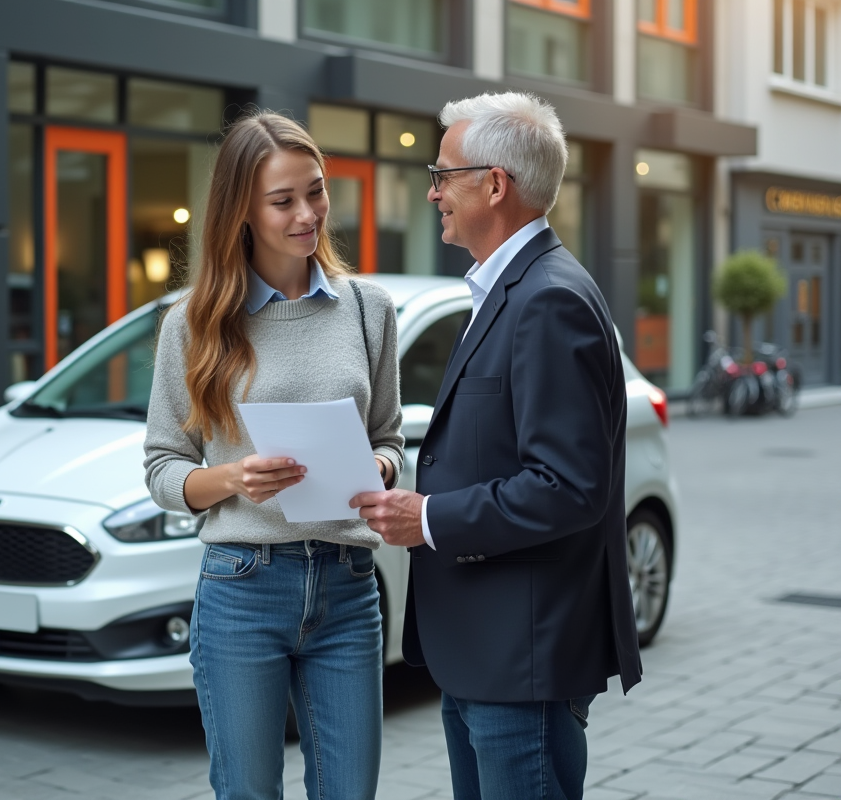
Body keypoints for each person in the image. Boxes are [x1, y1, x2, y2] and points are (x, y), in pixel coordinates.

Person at [351, 91, 642, 800]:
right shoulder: (511, 287)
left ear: (494, 184)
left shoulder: (548, 298)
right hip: (487, 654)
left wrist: (428, 518)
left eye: (444, 173)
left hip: (522, 661)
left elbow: (569, 486)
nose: (433, 191)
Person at [143, 111, 404, 800]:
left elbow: (389, 436)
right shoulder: (193, 322)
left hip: (349, 587)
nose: (307, 214)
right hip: (242, 588)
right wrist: (232, 477)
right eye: (283, 200)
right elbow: (163, 468)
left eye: (314, 192)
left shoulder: (367, 310)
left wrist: (376, 468)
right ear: (242, 211)